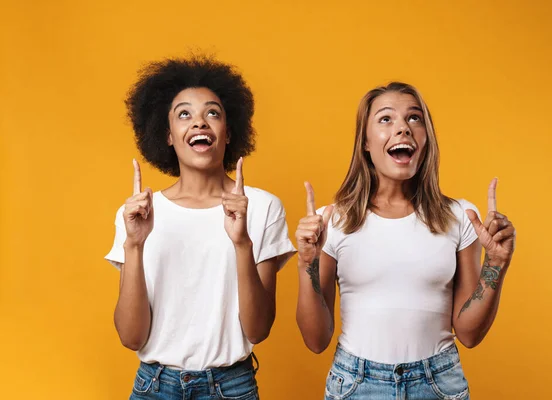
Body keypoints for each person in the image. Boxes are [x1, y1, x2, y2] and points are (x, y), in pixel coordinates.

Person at [295, 82, 516, 399]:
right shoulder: (332, 220)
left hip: (438, 383)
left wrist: (496, 263)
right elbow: (315, 340)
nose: (403, 128)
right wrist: (307, 264)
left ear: (426, 139)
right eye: (386, 119)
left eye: (414, 118)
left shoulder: (461, 216)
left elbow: (468, 333)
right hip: (356, 384)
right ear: (366, 143)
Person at [105, 56, 296, 400]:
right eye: (184, 114)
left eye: (212, 113)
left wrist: (242, 244)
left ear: (228, 131)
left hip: (231, 387)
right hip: (154, 388)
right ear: (167, 135)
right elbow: (131, 337)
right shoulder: (138, 213)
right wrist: (134, 245)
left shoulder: (262, 207)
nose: (199, 123)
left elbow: (259, 328)